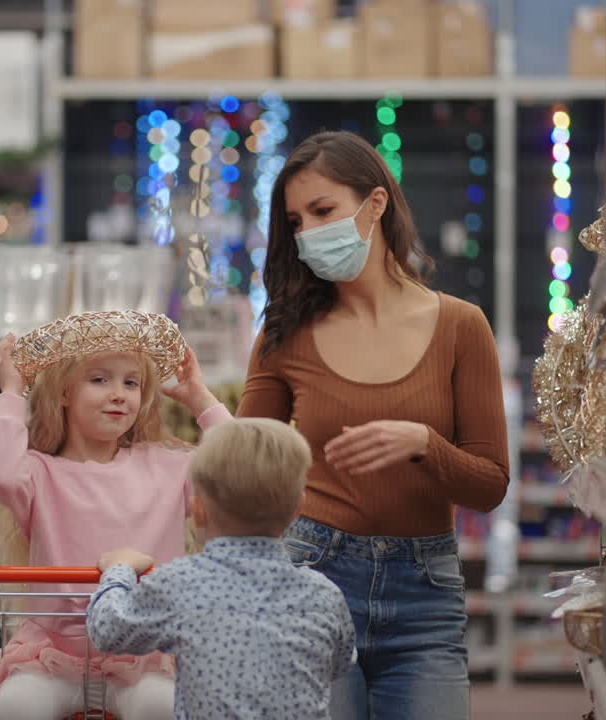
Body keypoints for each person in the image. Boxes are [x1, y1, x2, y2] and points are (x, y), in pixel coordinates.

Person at [237, 130, 510, 720]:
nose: (308, 232)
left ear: (376, 203)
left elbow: (490, 485)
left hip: (426, 596)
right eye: (296, 221)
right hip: (312, 577)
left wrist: (424, 444)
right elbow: (242, 471)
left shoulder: (462, 327)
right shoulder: (285, 333)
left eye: (323, 210)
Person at [0, 310, 231, 719]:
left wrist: (202, 399)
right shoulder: (38, 472)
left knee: (161, 707)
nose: (118, 394)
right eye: (99, 380)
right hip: (53, 655)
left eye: (131, 382)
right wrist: (12, 392)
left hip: (145, 654)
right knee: (13, 708)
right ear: (63, 393)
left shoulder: (169, 466)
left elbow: (235, 471)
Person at [88, 417, 356, 720]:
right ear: (297, 509)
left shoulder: (181, 584)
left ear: (199, 511)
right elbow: (339, 662)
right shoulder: (324, 594)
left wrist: (119, 570)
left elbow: (107, 631)